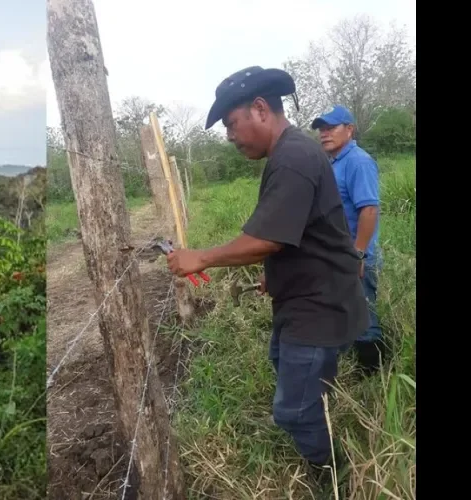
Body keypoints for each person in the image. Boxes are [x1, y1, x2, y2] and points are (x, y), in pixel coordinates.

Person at [165, 66, 369, 479]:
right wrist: (276, 275)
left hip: (319, 306)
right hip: (308, 296)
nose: (229, 135)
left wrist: (200, 258)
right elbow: (299, 234)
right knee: (286, 365)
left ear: (260, 108)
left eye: (231, 123)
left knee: (292, 408)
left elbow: (268, 239)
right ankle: (316, 418)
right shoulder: (292, 153)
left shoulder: (292, 158)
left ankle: (331, 477)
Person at [311, 105, 385, 376]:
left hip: (357, 254)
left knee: (363, 312)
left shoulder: (358, 162)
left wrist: (359, 253)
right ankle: (354, 364)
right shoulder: (334, 162)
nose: (324, 133)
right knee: (346, 309)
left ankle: (372, 374)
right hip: (341, 253)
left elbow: (369, 209)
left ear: (350, 129)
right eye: (321, 129)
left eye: (331, 127)